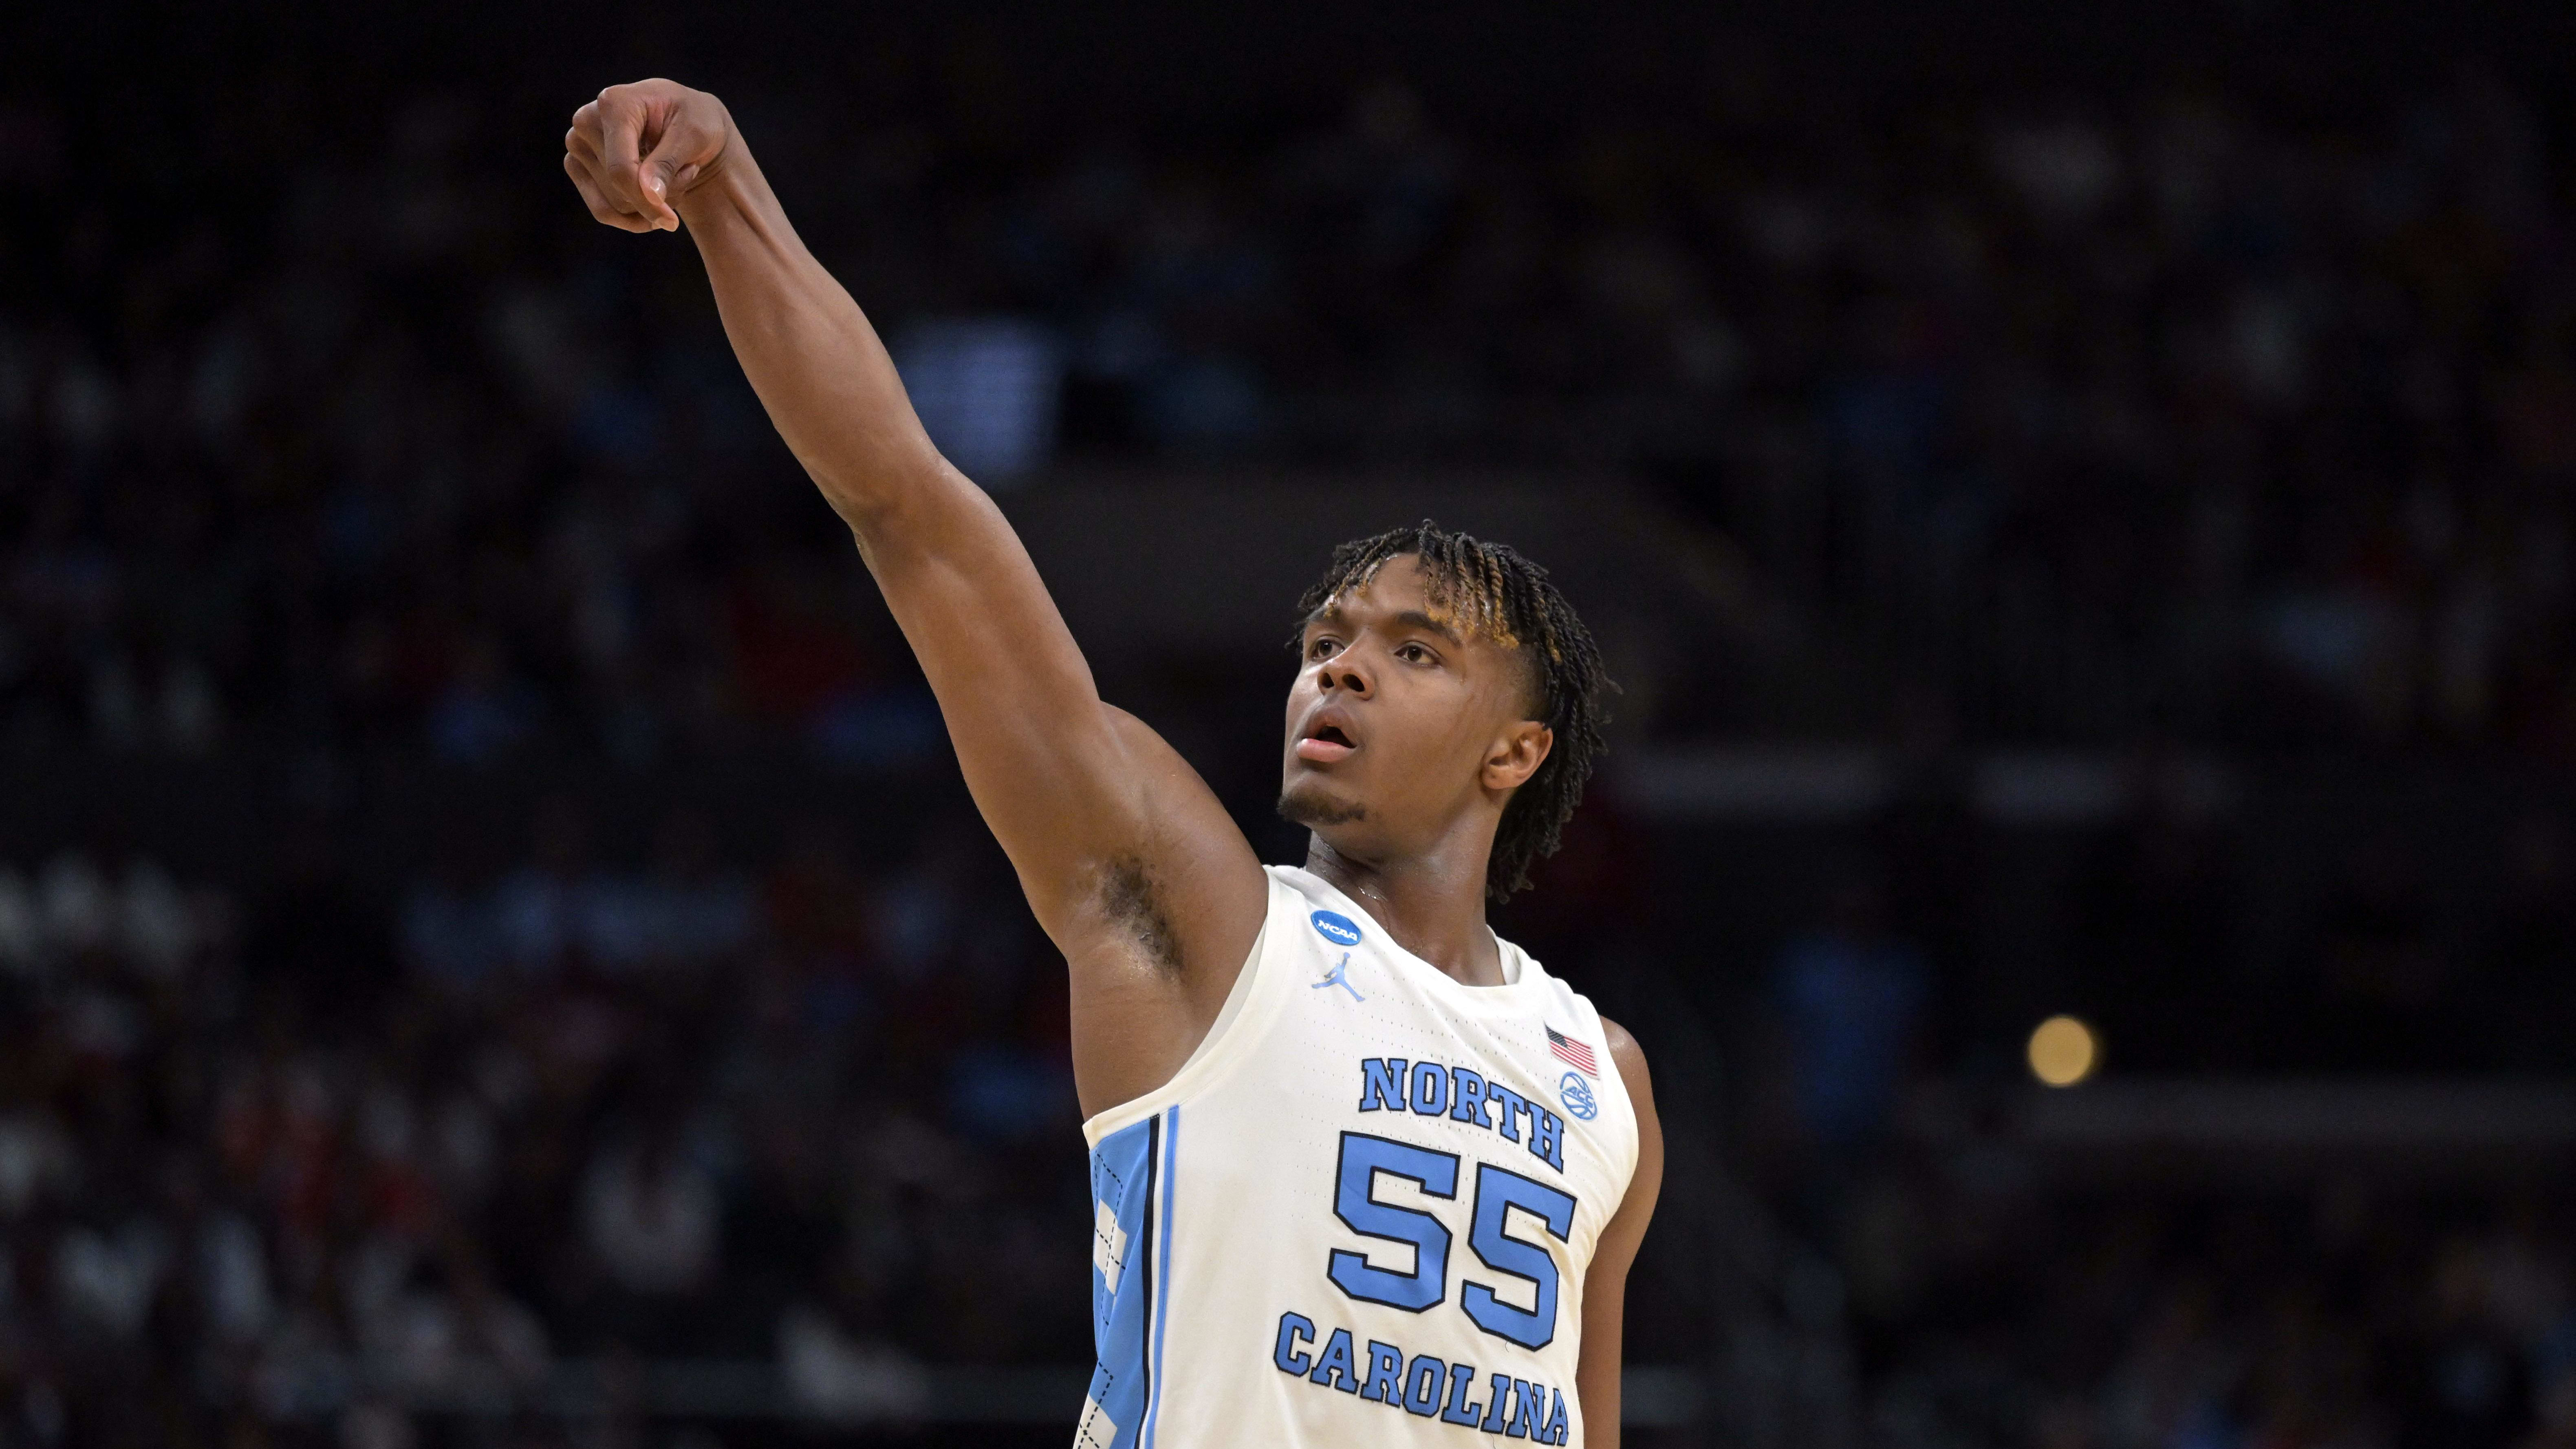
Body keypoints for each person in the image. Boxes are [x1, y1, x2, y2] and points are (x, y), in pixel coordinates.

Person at [560, 79, 1663, 1447]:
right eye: (1325, 638)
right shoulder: (1203, 913)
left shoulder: (1602, 1079)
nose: (1340, 664)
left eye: (1415, 649)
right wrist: (726, 194)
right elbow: (910, 509)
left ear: (1517, 749)